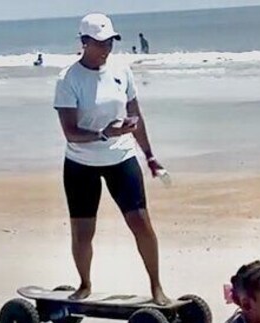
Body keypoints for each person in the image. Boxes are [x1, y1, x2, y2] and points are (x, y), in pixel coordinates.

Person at [53, 13, 169, 304]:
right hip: (81, 164)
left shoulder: (121, 70)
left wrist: (150, 156)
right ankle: (84, 284)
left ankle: (156, 287)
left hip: (121, 158)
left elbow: (136, 115)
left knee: (141, 222)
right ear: (84, 42)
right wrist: (104, 133)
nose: (107, 49)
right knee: (83, 232)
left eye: (111, 42)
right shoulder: (68, 79)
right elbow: (70, 132)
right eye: (101, 43)